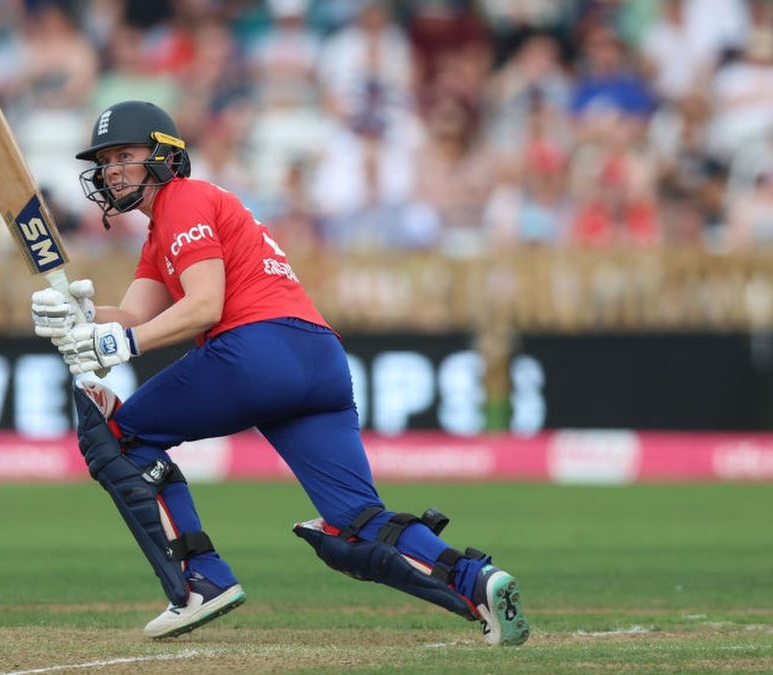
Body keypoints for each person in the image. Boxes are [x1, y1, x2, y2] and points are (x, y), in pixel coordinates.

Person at [29, 100, 530, 646]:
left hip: (257, 352)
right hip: (319, 360)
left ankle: (200, 581)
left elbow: (204, 307)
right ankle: (477, 581)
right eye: (105, 162)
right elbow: (130, 317)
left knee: (117, 438)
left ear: (167, 157)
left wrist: (121, 341)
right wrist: (79, 315)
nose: (112, 171)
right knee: (354, 523)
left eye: (125, 155)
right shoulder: (165, 230)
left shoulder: (184, 198)